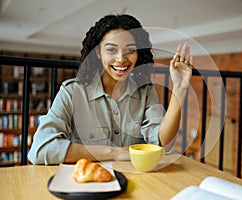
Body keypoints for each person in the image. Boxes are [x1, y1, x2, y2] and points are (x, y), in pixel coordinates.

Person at [27, 14, 192, 165]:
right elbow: (41, 149)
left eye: (130, 50)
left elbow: (160, 142)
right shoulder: (72, 92)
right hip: (87, 185)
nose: (121, 59)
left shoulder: (145, 92)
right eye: (111, 50)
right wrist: (115, 153)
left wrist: (179, 89)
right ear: (98, 52)